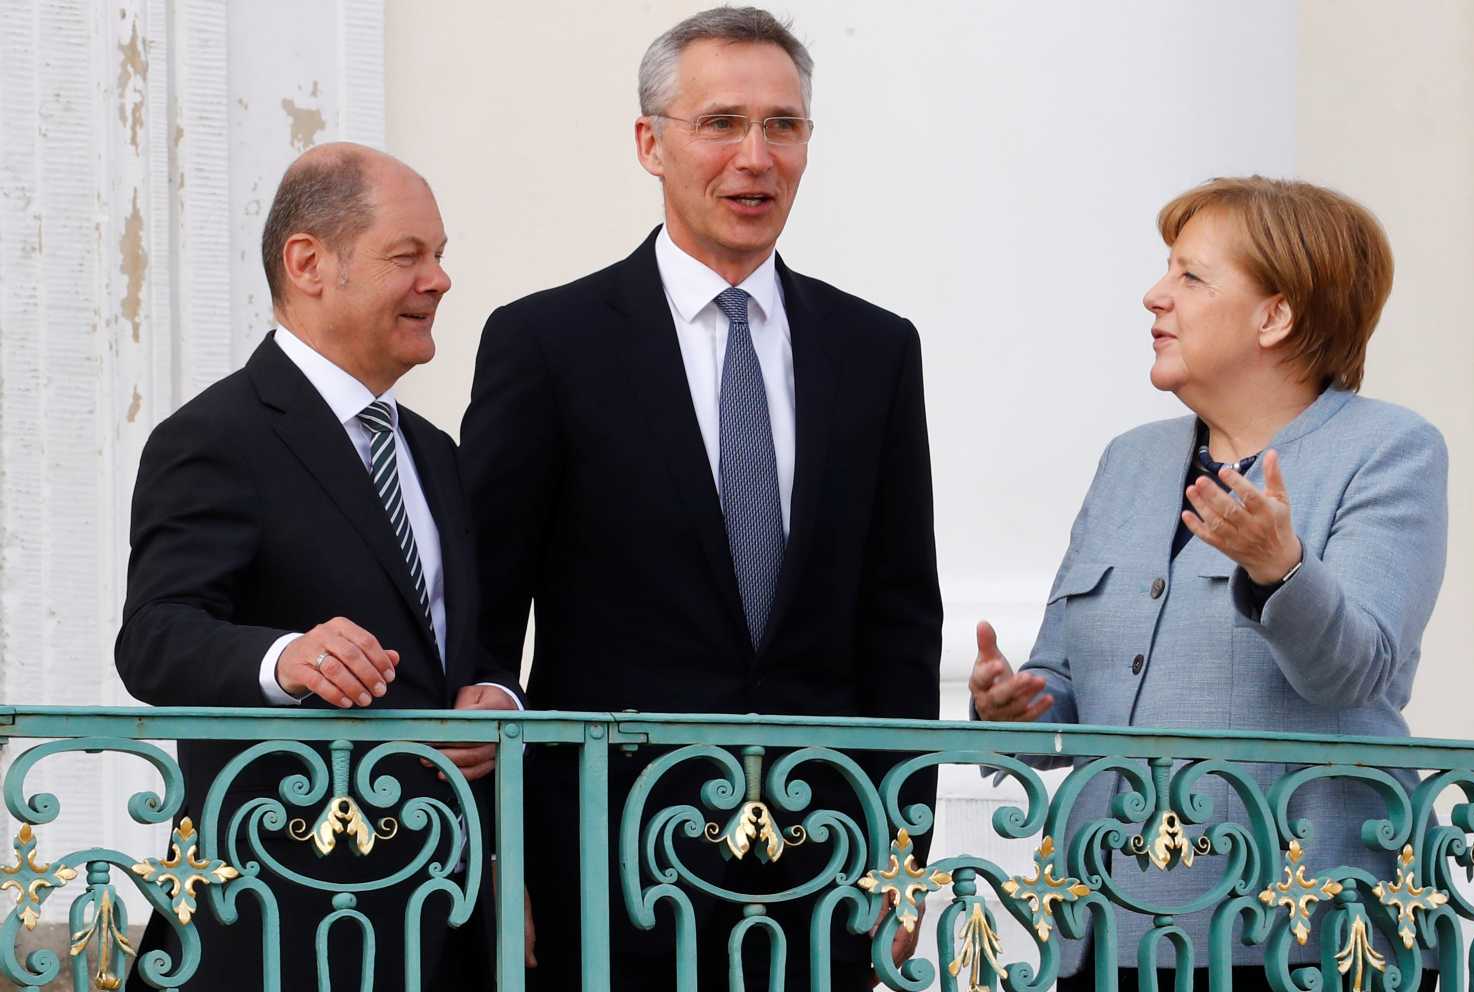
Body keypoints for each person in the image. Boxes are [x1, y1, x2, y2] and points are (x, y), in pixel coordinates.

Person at [459, 7, 942, 990]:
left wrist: (906, 846)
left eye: (784, 126)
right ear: (651, 143)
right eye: (721, 122)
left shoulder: (875, 349)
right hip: (605, 860)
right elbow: (485, 614)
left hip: (824, 861)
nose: (755, 157)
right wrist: (496, 857)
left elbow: (899, 618)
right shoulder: (547, 343)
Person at [968, 176, 1447, 990]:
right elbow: (1066, 688)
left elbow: (1354, 673)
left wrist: (1280, 568)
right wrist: (1009, 702)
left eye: (1191, 277)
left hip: (1300, 937)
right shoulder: (1129, 461)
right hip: (1108, 929)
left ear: (1276, 315)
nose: (1156, 296)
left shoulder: (1390, 451)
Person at [115, 142, 526, 991]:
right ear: (308, 263)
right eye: (408, 256)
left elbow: (466, 647)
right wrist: (283, 659)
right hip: (281, 915)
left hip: (441, 917)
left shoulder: (436, 454)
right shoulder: (214, 437)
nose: (440, 280)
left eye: (441, 256)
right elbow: (156, 636)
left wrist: (499, 695)